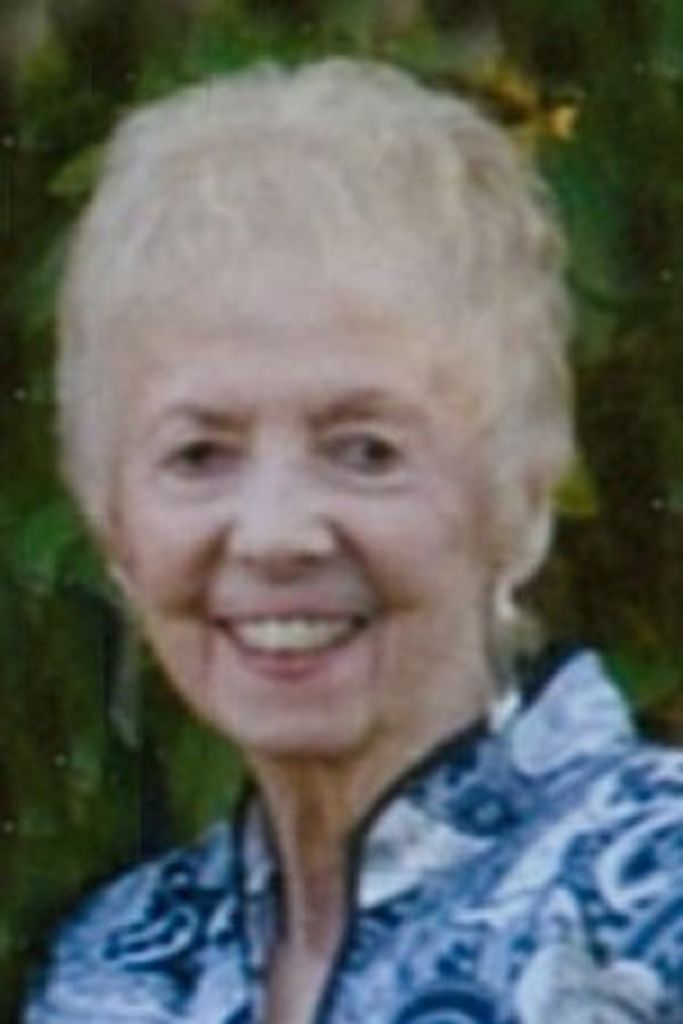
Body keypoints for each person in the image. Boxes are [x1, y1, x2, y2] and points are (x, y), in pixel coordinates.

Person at [25, 58, 683, 1024]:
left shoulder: (655, 907)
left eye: (365, 451)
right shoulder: (115, 969)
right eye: (199, 454)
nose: (274, 534)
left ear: (516, 492)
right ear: (114, 523)